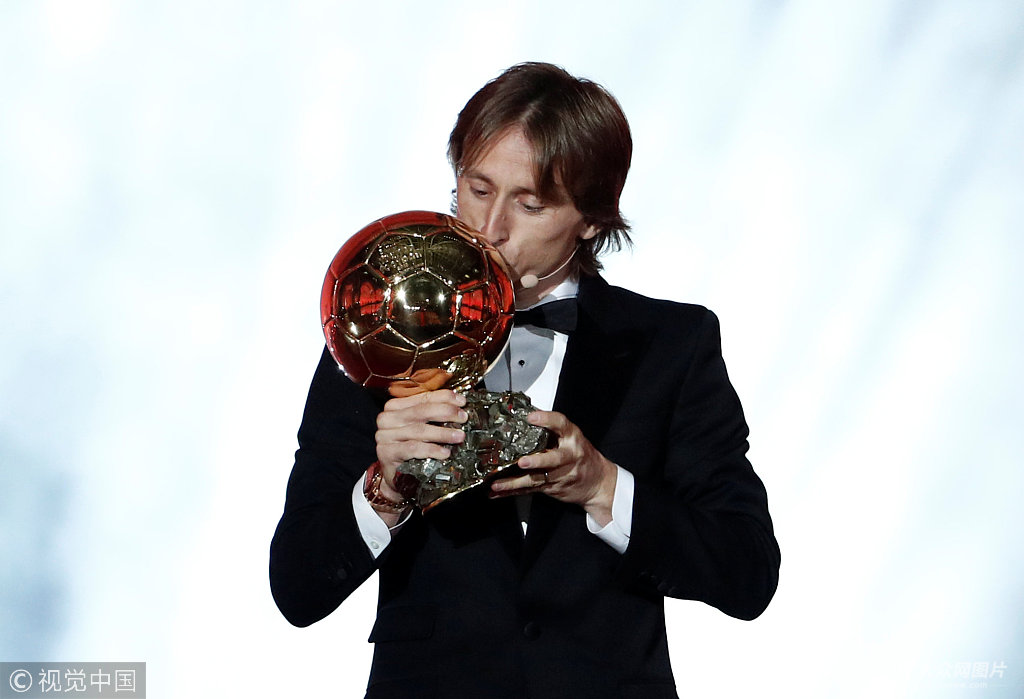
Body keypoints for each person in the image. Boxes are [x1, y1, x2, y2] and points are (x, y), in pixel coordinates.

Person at [270, 62, 780, 699]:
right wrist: (385, 489)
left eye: (531, 204)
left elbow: (747, 573)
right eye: (477, 189)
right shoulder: (377, 335)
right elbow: (297, 589)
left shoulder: (673, 345)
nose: (489, 229)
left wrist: (603, 486)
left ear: (592, 218)